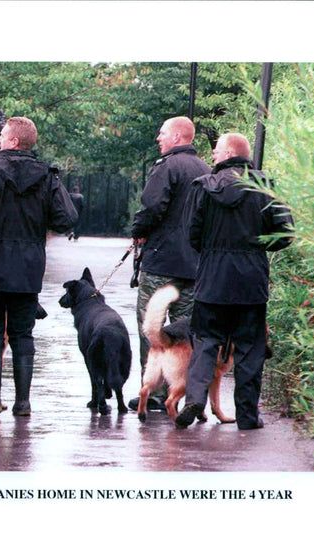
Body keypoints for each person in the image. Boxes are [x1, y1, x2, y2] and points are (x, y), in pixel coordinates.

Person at [0, 116, 78, 418]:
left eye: (1, 135)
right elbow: (66, 218)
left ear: (13, 141)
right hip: (28, 267)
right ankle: (23, 403)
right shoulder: (47, 176)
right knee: (22, 333)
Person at [177, 133, 294, 430]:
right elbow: (286, 233)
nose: (213, 155)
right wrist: (256, 248)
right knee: (250, 349)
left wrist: (213, 250)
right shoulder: (264, 186)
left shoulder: (202, 188)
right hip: (251, 280)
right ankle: (247, 416)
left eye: (216, 151)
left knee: (204, 342)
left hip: (212, 278)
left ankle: (194, 399)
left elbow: (191, 233)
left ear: (229, 152)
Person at [128, 116, 210, 411]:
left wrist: (138, 233)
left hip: (161, 261)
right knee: (184, 332)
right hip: (193, 265)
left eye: (162, 133)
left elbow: (152, 208)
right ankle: (178, 393)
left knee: (151, 326)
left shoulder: (166, 167)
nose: (158, 139)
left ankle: (151, 392)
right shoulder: (205, 169)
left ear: (177, 136)